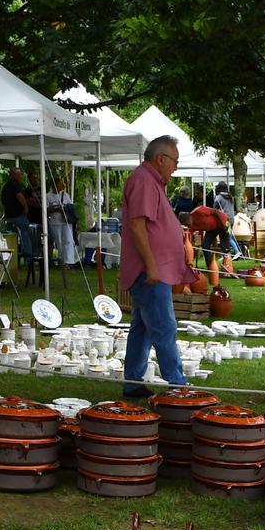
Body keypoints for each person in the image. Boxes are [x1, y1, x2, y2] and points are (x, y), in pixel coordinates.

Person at [119, 136, 191, 399]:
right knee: (163, 326)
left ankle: (133, 382)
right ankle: (177, 384)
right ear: (161, 159)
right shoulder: (144, 181)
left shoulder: (151, 181)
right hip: (150, 271)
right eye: (175, 161)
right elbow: (138, 226)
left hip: (153, 269)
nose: (175, 167)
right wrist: (151, 265)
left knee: (143, 327)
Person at [42, 172, 80, 267]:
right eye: (59, 184)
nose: (61, 186)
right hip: (55, 222)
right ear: (54, 185)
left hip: (66, 220)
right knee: (59, 241)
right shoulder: (48, 196)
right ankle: (62, 260)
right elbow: (46, 209)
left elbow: (70, 206)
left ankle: (69, 261)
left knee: (68, 240)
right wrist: (56, 209)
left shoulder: (65, 194)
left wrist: (63, 209)